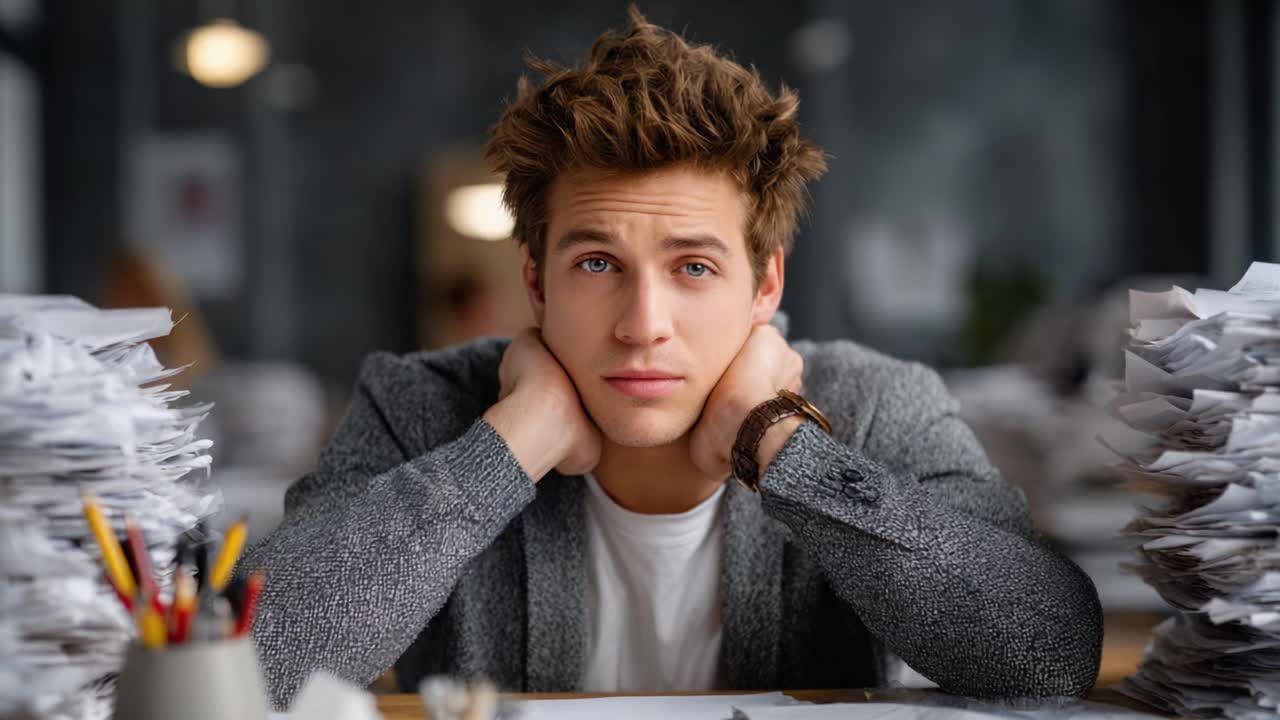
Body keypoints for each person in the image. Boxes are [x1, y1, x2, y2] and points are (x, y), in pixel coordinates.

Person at [238, 9, 1103, 710]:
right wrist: (510, 445)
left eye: (693, 268)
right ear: (535, 281)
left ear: (765, 285)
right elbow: (244, 665)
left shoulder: (874, 403)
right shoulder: (420, 404)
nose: (643, 325)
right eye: (597, 265)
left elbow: (1049, 652)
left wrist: (781, 445)